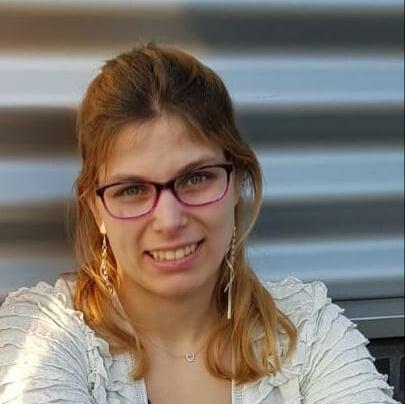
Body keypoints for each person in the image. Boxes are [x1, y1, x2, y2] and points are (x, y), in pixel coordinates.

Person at [0, 42, 399, 404]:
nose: (169, 220)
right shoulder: (43, 335)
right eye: (131, 189)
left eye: (195, 178)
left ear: (237, 182)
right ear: (96, 209)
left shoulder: (307, 330)